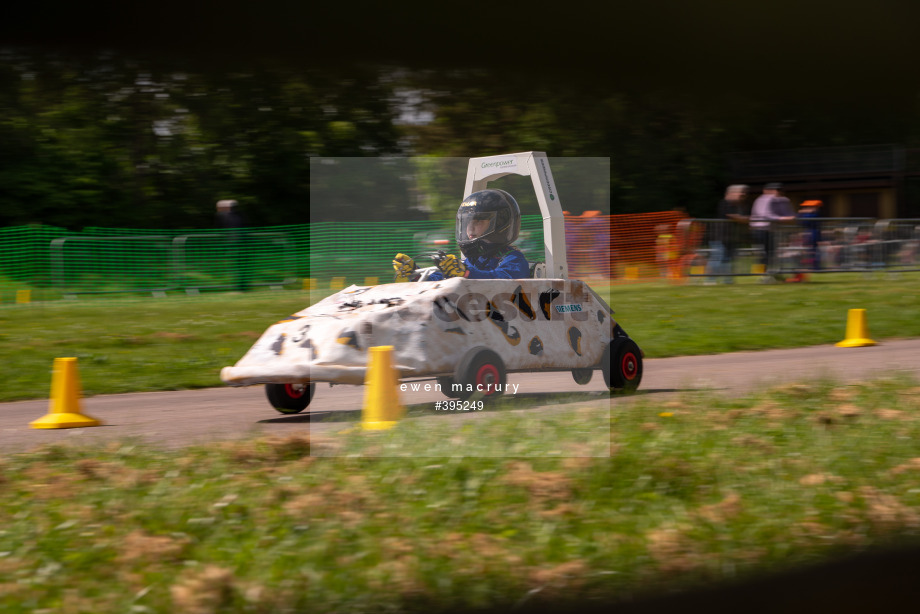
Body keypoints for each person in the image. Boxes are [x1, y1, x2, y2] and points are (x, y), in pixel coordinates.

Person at [392, 189, 530, 281]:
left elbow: (504, 281)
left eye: (478, 221)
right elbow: (445, 280)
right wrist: (416, 274)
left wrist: (466, 274)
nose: (470, 228)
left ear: (500, 223)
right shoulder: (473, 260)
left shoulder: (512, 258)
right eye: (468, 222)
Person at [749, 183, 795, 282]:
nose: (778, 192)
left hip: (771, 230)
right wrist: (782, 218)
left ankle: (773, 274)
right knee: (763, 253)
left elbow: (787, 213)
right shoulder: (763, 200)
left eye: (779, 190)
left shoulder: (783, 200)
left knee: (772, 253)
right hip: (760, 229)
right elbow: (765, 214)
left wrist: (791, 217)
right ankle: (762, 276)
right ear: (766, 190)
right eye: (776, 190)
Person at [706, 184, 748, 284]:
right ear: (732, 193)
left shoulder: (738, 206)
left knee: (727, 260)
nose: (743, 196)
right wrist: (743, 219)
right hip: (719, 237)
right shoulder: (724, 203)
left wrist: (742, 219)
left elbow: (743, 218)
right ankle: (709, 280)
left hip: (730, 237)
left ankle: (728, 280)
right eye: (740, 194)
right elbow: (732, 216)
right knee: (716, 259)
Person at [215, 199, 249, 291]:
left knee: (236, 264)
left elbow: (220, 227)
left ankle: (240, 286)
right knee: (242, 265)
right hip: (244, 243)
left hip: (232, 243)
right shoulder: (241, 214)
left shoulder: (222, 215)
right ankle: (242, 286)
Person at [788, 199, 822, 282]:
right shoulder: (810, 214)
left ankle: (814, 267)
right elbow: (800, 221)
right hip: (809, 233)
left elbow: (804, 221)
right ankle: (810, 267)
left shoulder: (815, 214)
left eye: (807, 207)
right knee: (809, 251)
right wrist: (801, 213)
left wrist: (802, 213)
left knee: (812, 251)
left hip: (813, 233)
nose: (805, 208)